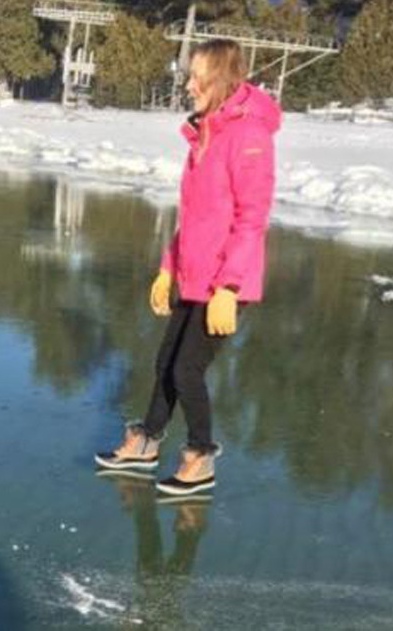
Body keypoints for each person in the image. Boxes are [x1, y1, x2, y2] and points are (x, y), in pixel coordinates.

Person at [95, 39, 282, 496]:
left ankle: (201, 457)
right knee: (165, 363)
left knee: (186, 371)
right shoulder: (205, 134)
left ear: (222, 79)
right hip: (195, 275)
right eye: (189, 74)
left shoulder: (249, 136)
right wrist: (167, 269)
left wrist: (230, 287)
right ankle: (147, 443)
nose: (189, 84)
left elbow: (251, 219)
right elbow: (195, 218)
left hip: (225, 283)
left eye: (198, 76)